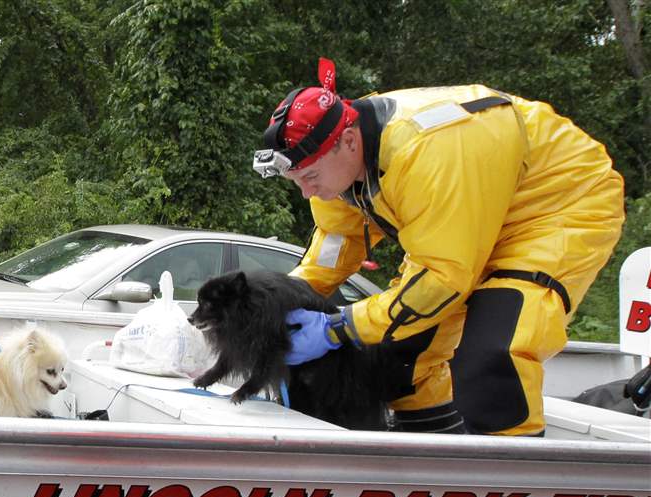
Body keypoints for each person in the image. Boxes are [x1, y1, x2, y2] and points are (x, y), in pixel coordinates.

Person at [255, 58, 624, 436]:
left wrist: (338, 327)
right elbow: (335, 244)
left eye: (310, 177)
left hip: (555, 206)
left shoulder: (423, 151)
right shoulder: (339, 157)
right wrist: (277, 303)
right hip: (468, 220)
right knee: (398, 357)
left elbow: (443, 278)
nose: (306, 191)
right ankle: (433, 471)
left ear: (349, 142)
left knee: (492, 356)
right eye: (297, 180)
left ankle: (512, 486)